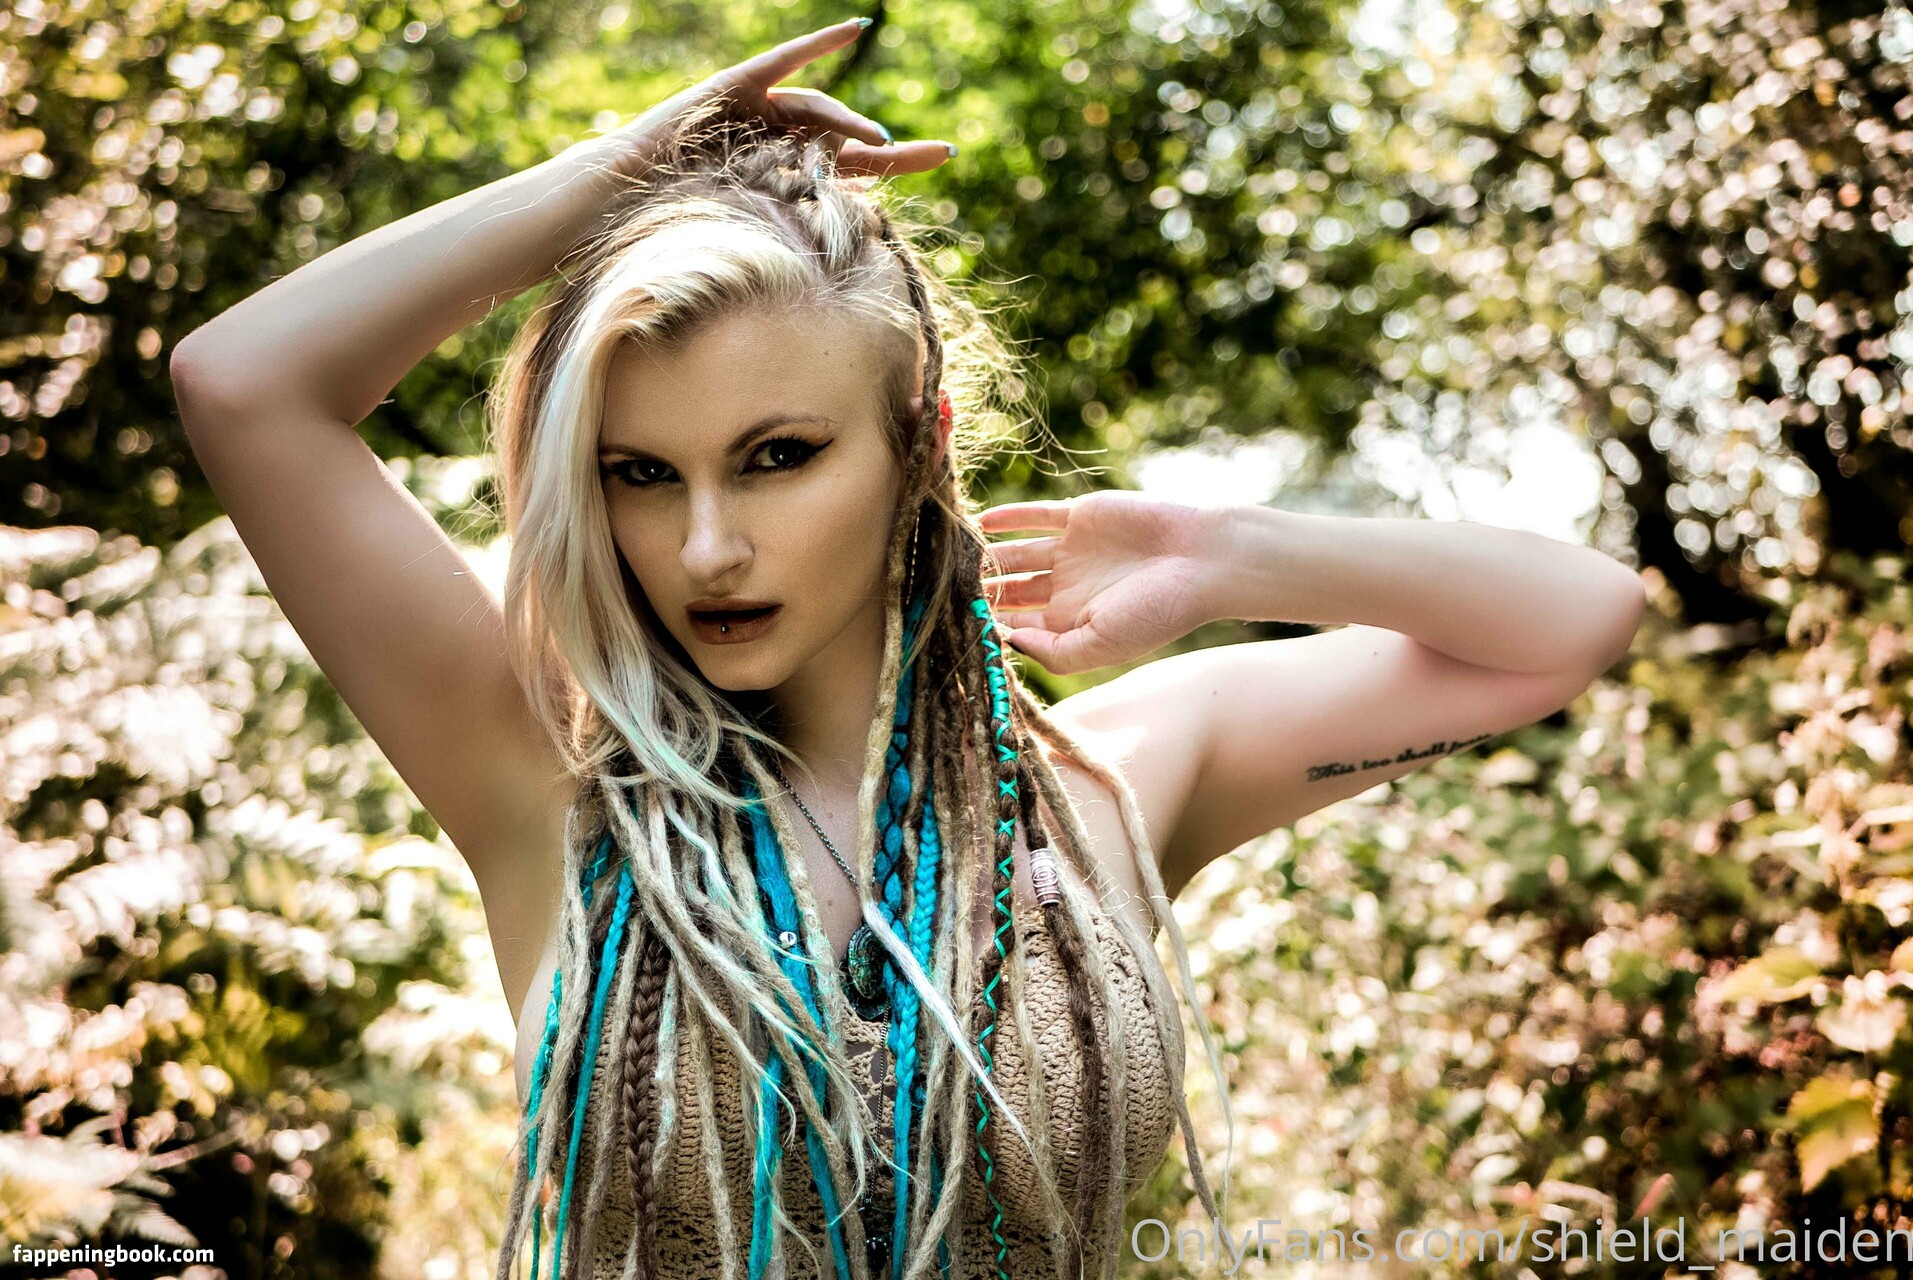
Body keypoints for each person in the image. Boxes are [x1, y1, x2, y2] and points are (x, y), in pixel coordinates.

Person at [169, 16, 1646, 1280]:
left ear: (919, 442)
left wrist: (1233, 556)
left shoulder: (1114, 786)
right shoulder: (549, 789)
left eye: (778, 456)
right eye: (642, 475)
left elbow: (1576, 620)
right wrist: (623, 173)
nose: (705, 548)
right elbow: (243, 384)